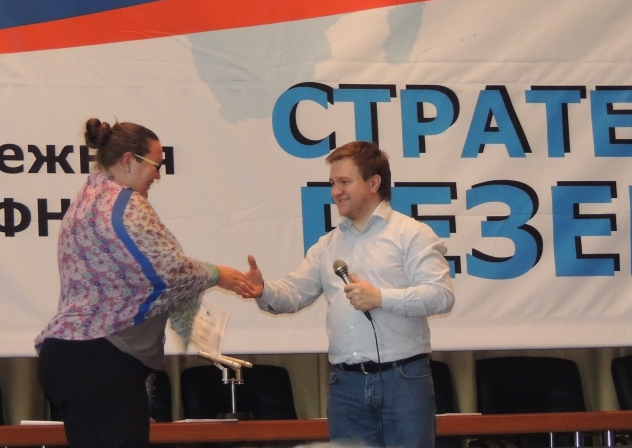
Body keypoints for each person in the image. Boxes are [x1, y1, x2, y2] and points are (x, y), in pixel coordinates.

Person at [36, 118, 254, 448]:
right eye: (155, 165)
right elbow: (170, 272)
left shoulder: (87, 199)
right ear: (128, 160)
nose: (158, 175)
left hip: (70, 356)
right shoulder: (124, 204)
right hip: (102, 359)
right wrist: (218, 274)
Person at [245, 141, 455, 448]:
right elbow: (294, 293)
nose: (335, 192)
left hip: (403, 379)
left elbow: (440, 295)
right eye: (332, 183)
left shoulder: (411, 234)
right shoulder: (328, 245)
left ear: (374, 183)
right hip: (346, 384)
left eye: (344, 182)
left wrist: (380, 298)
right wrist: (263, 290)